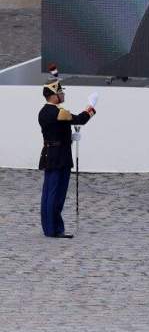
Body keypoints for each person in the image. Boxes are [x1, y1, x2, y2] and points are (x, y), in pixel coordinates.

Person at [38, 76, 95, 238]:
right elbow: (80, 119)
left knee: (48, 192)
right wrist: (91, 107)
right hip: (60, 157)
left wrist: (71, 138)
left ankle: (48, 227)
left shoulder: (43, 112)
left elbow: (56, 132)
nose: (63, 95)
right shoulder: (59, 112)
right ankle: (54, 229)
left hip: (50, 154)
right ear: (54, 95)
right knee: (57, 193)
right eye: (61, 92)